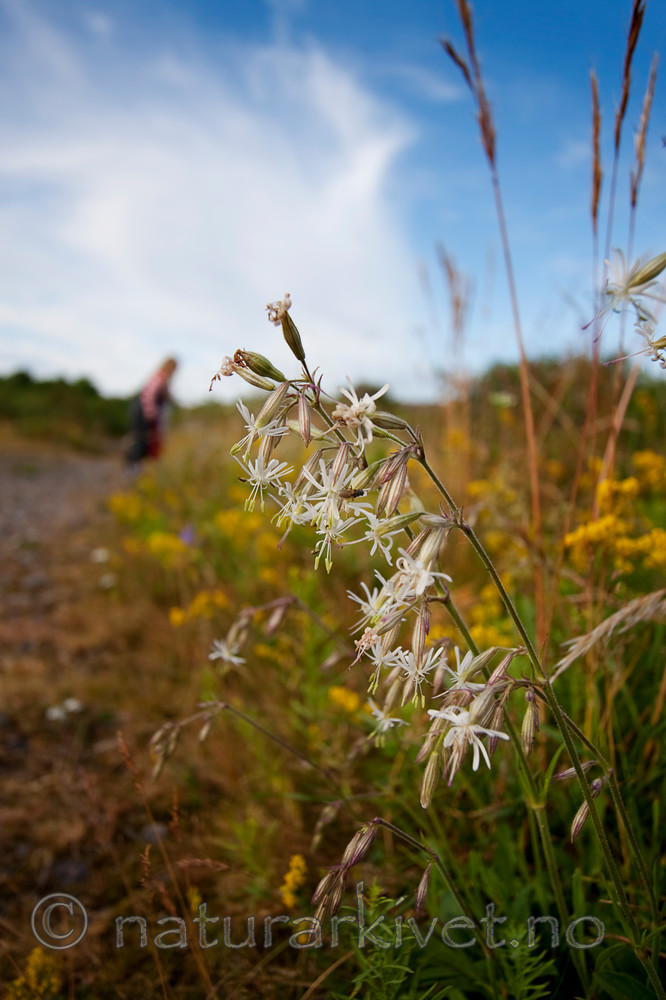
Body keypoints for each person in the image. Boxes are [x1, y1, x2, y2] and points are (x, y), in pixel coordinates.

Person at [125, 358, 178, 469]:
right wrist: (151, 415)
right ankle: (132, 468)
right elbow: (148, 396)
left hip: (147, 414)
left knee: (146, 442)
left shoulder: (160, 378)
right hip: (145, 414)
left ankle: (136, 468)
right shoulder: (159, 378)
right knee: (141, 440)